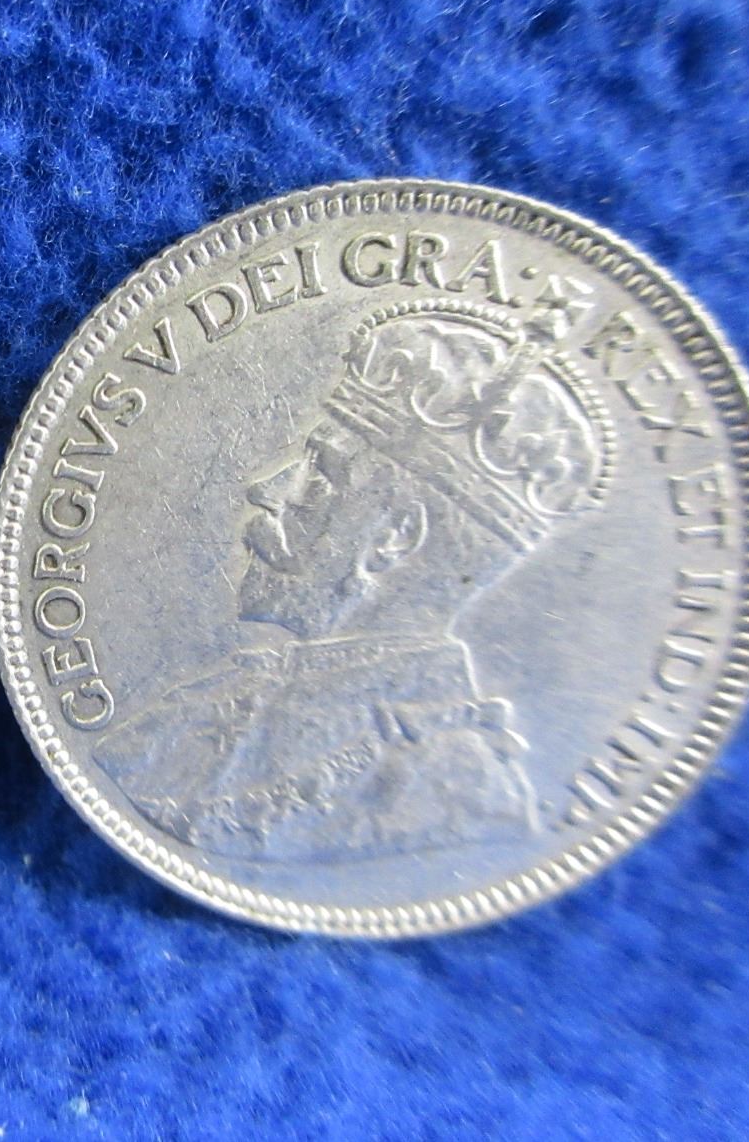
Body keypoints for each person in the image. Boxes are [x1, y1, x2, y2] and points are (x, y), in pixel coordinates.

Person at [97, 301, 613, 865]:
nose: (266, 490)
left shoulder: (456, 796)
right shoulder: (216, 700)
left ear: (392, 537)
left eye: (320, 471)